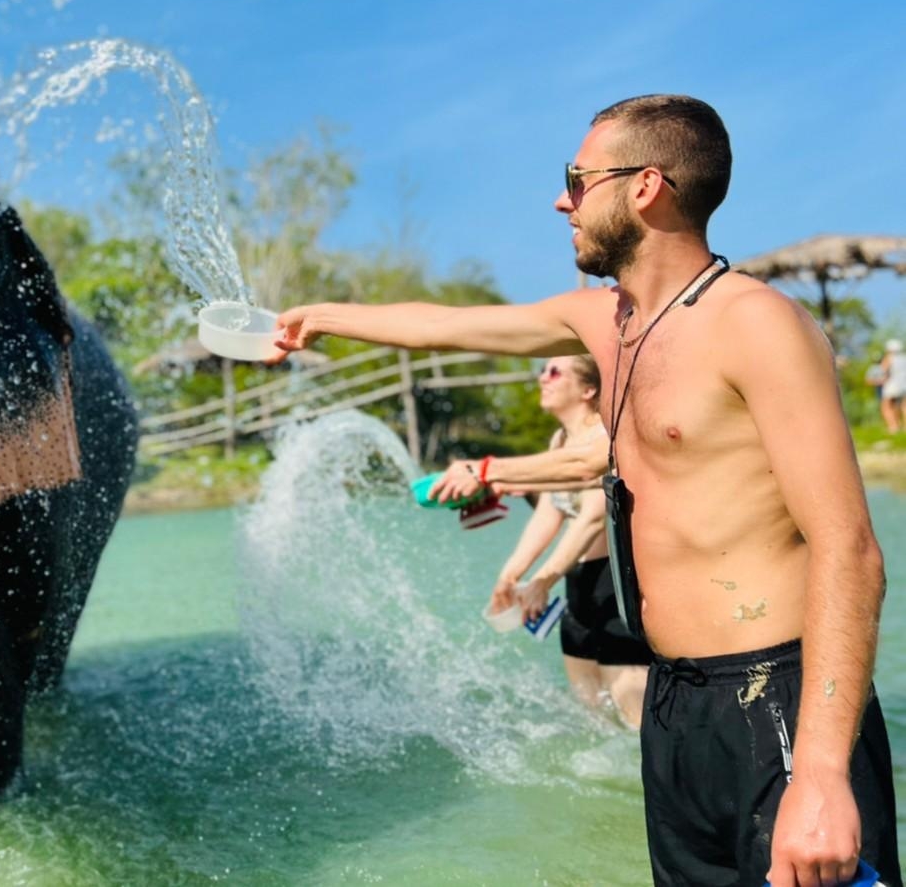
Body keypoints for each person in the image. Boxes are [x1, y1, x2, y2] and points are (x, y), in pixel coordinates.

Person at [270, 95, 898, 887]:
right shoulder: (607, 322)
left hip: (774, 696)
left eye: (576, 178)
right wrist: (314, 320)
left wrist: (822, 774)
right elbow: (446, 326)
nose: (561, 199)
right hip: (672, 704)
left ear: (645, 187)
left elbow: (851, 549)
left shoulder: (756, 324)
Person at [460, 355, 652, 726]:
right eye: (541, 370)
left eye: (553, 371)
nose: (542, 378)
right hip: (577, 584)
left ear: (588, 389)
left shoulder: (605, 438)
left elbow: (592, 519)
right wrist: (511, 575)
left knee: (633, 717)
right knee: (593, 718)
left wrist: (542, 581)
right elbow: (550, 513)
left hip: (616, 585)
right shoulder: (560, 440)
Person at [878, 338, 905, 434]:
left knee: (886, 405)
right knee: (903, 405)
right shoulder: (904, 358)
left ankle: (893, 427)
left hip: (892, 384)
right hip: (903, 385)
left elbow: (883, 370)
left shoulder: (889, 358)